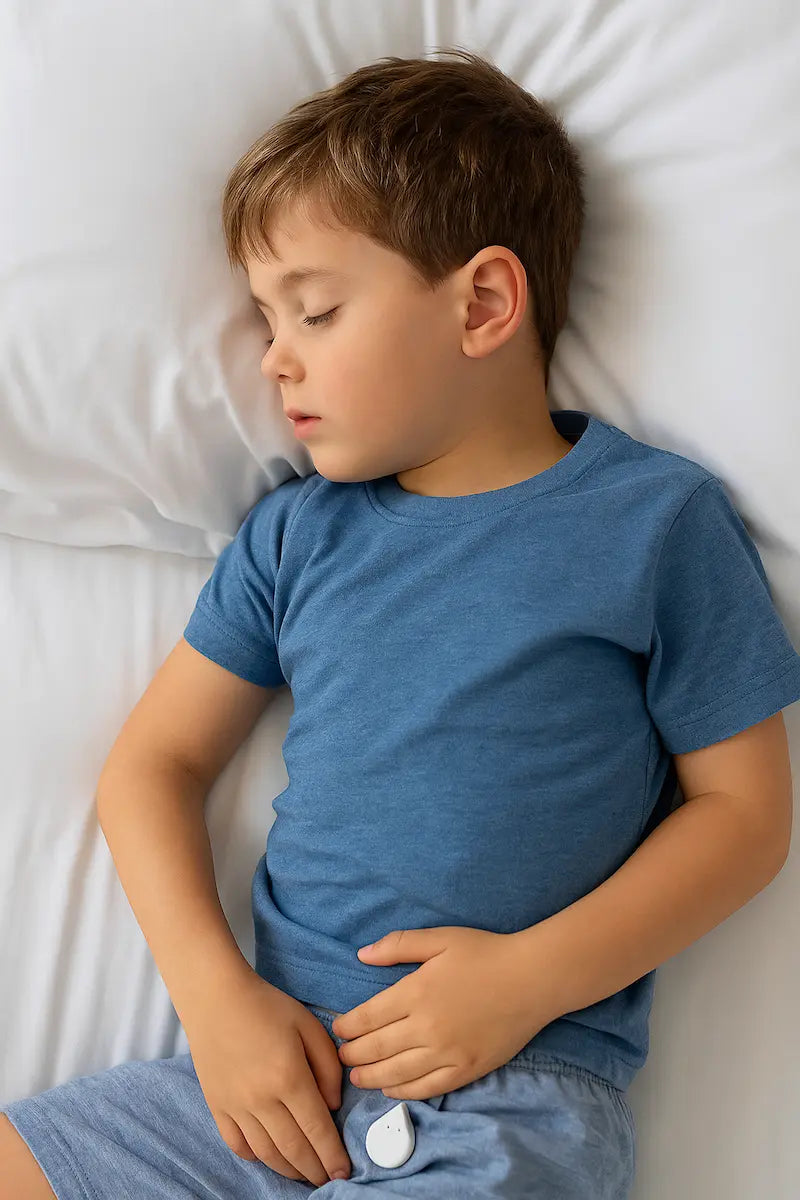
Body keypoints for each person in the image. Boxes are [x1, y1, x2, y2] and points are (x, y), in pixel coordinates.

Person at [2, 47, 799, 1200]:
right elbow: (152, 767)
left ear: (481, 303)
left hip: (510, 1102)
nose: (275, 358)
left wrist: (527, 980)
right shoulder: (294, 537)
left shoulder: (653, 524)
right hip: (260, 1093)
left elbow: (743, 818)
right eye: (264, 319)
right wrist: (216, 1002)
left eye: (316, 310)